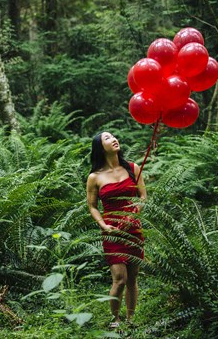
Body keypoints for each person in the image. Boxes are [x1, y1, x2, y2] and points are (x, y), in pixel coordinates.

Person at [86, 131, 146, 329]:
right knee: (120, 279)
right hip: (112, 231)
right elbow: (93, 206)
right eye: (107, 138)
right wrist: (103, 225)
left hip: (134, 229)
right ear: (100, 147)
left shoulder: (132, 168)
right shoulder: (94, 177)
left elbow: (143, 197)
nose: (113, 139)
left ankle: (130, 319)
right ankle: (115, 320)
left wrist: (134, 215)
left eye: (113, 136)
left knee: (132, 278)